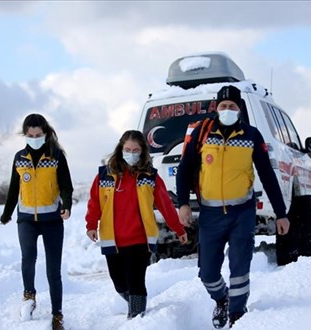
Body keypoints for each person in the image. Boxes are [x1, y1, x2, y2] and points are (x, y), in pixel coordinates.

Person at [176, 85, 290, 328]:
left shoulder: (251, 135)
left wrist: (281, 213)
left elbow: (267, 175)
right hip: (210, 214)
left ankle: (238, 317)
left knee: (239, 268)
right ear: (216, 108)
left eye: (232, 106)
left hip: (242, 213)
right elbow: (185, 169)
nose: (227, 110)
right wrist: (183, 203)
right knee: (207, 274)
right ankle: (222, 300)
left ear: (240, 109)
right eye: (223, 106)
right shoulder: (202, 133)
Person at [85, 130, 188, 319]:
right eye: (127, 149)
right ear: (120, 149)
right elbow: (94, 202)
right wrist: (91, 225)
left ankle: (136, 318)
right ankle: (136, 304)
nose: (131, 154)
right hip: (112, 240)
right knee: (119, 284)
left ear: (142, 152)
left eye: (135, 150)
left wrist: (178, 229)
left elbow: (166, 205)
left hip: (140, 239)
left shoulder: (150, 177)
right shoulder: (104, 176)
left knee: (135, 282)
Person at [0, 113, 73, 330]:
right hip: (26, 220)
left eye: (38, 134)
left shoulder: (56, 156)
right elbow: (14, 188)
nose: (34, 138)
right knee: (28, 257)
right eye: (30, 135)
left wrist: (66, 206)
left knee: (53, 269)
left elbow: (66, 186)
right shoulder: (19, 157)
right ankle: (29, 295)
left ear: (45, 134)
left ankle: (57, 314)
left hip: (51, 219)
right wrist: (7, 213)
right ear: (25, 135)